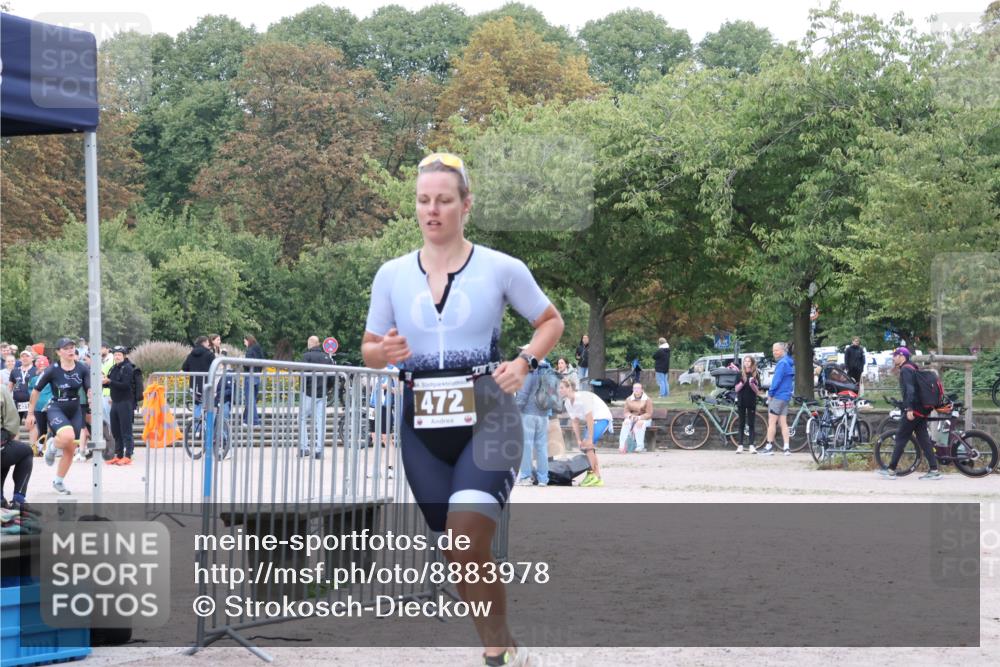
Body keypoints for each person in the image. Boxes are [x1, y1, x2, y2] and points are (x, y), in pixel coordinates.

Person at [362, 151, 563, 667]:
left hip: (489, 418)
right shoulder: (391, 274)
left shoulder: (501, 267)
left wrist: (525, 362)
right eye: (423, 200)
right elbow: (369, 348)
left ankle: (496, 655)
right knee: (455, 549)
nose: (432, 210)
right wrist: (385, 352)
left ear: (466, 205)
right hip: (421, 426)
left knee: (466, 538)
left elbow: (551, 321)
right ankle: (507, 644)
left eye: (444, 200)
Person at [25, 338, 90, 495]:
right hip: (56, 407)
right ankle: (52, 446)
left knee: (70, 448)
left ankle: (58, 482)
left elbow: (89, 389)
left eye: (72, 347)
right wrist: (30, 413)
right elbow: (36, 391)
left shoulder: (82, 368)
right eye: (66, 348)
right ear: (58, 352)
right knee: (67, 436)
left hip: (75, 409)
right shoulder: (52, 370)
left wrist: (92, 400)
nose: (70, 350)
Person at [877, 347, 942, 480]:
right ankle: (934, 470)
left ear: (902, 356)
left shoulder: (906, 369)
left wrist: (909, 409)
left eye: (895, 355)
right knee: (923, 439)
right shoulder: (913, 367)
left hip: (915, 410)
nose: (893, 358)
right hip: (922, 409)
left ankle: (891, 470)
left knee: (901, 436)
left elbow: (910, 390)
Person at [559, 378, 612, 485]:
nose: (559, 390)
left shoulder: (583, 398)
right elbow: (575, 422)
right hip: (593, 421)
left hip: (602, 418)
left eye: (562, 388)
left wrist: (590, 438)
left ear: (569, 388)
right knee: (585, 446)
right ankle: (595, 476)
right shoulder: (567, 403)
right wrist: (579, 440)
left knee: (588, 445)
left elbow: (589, 419)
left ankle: (594, 476)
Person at [516, 351, 550, 486]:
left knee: (526, 446)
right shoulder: (548, 370)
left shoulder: (529, 371)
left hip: (528, 413)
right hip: (544, 414)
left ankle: (525, 477)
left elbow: (523, 394)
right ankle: (543, 479)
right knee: (542, 447)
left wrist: (516, 411)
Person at [300, 336, 335, 459]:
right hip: (322, 393)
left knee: (302, 418)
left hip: (309, 392)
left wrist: (304, 388)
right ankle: (319, 451)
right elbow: (332, 377)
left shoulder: (306, 356)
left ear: (310, 343)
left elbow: (303, 375)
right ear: (318, 344)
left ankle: (304, 448)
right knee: (320, 421)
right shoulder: (327, 358)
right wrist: (327, 389)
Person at [1, 384, 34, 510]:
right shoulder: (1, 390)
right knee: (25, 452)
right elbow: (12, 421)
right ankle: (18, 499)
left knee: (6, 449)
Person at [105, 346, 137, 465]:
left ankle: (128, 455)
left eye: (119, 354)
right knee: (116, 430)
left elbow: (125, 385)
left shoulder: (128, 368)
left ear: (124, 356)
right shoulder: (114, 368)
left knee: (126, 430)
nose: (117, 357)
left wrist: (110, 382)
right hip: (115, 402)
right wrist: (104, 382)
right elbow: (111, 384)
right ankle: (118, 455)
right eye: (115, 355)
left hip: (125, 402)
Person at [761, 341, 794, 456]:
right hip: (786, 397)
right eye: (773, 350)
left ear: (783, 351)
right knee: (783, 423)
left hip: (777, 396)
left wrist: (770, 393)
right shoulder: (789, 362)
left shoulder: (782, 363)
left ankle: (769, 447)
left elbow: (777, 380)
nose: (774, 352)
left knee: (772, 422)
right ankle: (786, 448)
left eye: (776, 350)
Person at [734, 355, 763, 454]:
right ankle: (740, 445)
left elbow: (757, 391)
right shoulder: (739, 373)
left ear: (752, 363)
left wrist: (752, 384)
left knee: (751, 424)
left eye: (749, 361)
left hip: (751, 401)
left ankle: (751, 445)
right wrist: (742, 382)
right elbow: (736, 389)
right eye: (745, 361)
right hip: (741, 401)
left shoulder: (755, 374)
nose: (747, 363)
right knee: (741, 423)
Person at [182, 336, 215, 420]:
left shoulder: (191, 355)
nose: (208, 344)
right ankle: (208, 426)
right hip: (206, 384)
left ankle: (196, 425)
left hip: (193, 384)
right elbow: (215, 367)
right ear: (203, 343)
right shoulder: (209, 354)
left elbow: (185, 368)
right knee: (209, 405)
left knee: (197, 404)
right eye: (207, 342)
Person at [619, 382, 653, 453]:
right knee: (626, 423)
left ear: (642, 390)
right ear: (633, 389)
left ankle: (639, 446)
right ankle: (622, 446)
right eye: (635, 388)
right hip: (632, 418)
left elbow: (649, 413)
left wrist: (640, 418)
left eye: (638, 388)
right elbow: (626, 412)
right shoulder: (628, 399)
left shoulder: (647, 399)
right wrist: (630, 416)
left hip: (645, 419)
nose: (636, 390)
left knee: (639, 424)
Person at [27, 356, 51, 454]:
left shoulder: (51, 379)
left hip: (50, 406)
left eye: (44, 367)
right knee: (41, 428)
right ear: (37, 368)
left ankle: (49, 447)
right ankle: (41, 448)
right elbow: (30, 392)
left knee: (51, 428)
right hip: (38, 407)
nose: (42, 369)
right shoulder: (34, 379)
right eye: (40, 367)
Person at [9, 349, 37, 422]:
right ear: (20, 359)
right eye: (22, 356)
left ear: (32, 358)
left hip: (31, 402)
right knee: (15, 423)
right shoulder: (14, 371)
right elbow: (10, 387)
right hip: (17, 402)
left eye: (27, 356)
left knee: (31, 423)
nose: (24, 358)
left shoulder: (36, 370)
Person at [243, 335, 264, 426]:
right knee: (252, 399)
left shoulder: (249, 350)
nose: (244, 343)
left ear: (248, 341)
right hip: (257, 376)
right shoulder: (258, 349)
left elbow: (247, 364)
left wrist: (242, 362)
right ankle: (246, 420)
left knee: (250, 400)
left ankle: (255, 421)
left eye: (244, 341)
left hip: (250, 376)